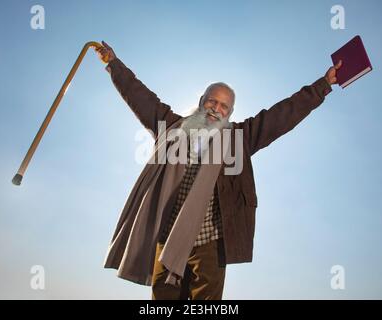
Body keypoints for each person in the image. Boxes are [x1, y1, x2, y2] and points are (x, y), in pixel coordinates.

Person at [96, 40, 342, 300]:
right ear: (201, 101)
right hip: (167, 237)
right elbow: (140, 97)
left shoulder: (240, 138)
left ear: (230, 112)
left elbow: (282, 115)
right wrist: (114, 65)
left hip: (210, 244)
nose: (216, 109)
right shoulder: (171, 127)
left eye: (224, 106)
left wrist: (322, 86)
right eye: (212, 101)